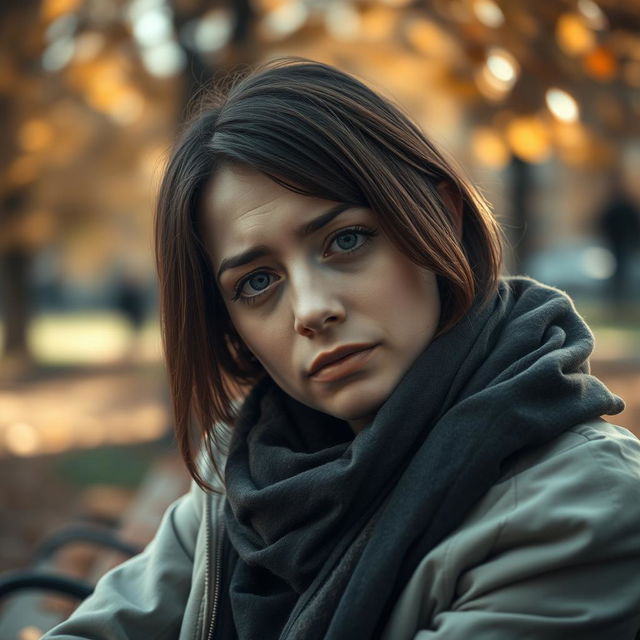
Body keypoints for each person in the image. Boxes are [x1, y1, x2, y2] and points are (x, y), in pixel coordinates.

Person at [43, 58, 640, 639]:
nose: (310, 310)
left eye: (345, 240)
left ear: (440, 217)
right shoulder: (244, 477)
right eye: (257, 282)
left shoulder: (585, 504)